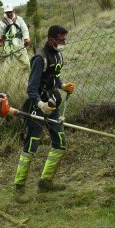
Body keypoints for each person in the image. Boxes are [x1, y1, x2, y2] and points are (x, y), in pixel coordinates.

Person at [12, 25, 75, 204]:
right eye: (61, 39)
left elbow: (54, 77)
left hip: (52, 104)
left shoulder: (58, 54)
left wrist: (62, 86)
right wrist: (40, 104)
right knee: (31, 145)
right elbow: (31, 88)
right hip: (36, 106)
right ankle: (19, 188)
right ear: (51, 39)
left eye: (65, 39)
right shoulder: (40, 58)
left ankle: (45, 182)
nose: (64, 42)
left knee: (60, 142)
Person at [0, 4, 31, 78]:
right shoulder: (3, 22)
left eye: (10, 12)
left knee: (26, 64)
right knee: (7, 69)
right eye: (7, 12)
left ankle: (25, 78)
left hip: (20, 45)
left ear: (13, 11)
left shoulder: (19, 19)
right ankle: (7, 82)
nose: (9, 14)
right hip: (8, 47)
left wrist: (26, 38)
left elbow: (25, 30)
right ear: (5, 12)